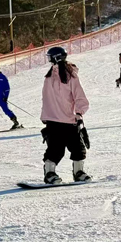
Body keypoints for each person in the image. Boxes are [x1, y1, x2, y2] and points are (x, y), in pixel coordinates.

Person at [40, 46, 91, 184]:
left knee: (78, 147)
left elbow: (79, 97)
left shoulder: (71, 76)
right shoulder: (49, 77)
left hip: (69, 119)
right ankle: (50, 173)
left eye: (50, 58)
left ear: (56, 58)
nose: (49, 60)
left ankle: (78, 172)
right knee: (55, 149)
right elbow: (46, 99)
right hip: (53, 120)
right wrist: (45, 117)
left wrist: (79, 114)